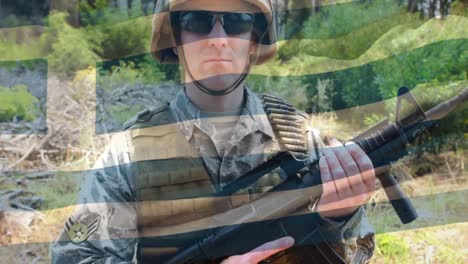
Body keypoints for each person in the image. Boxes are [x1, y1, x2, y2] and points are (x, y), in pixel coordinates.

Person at [51, 0, 375, 263]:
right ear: (175, 40)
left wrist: (339, 218)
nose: (218, 38)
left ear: (253, 42)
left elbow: (360, 253)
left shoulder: (299, 139)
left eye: (238, 22)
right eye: (196, 21)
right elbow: (75, 258)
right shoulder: (131, 152)